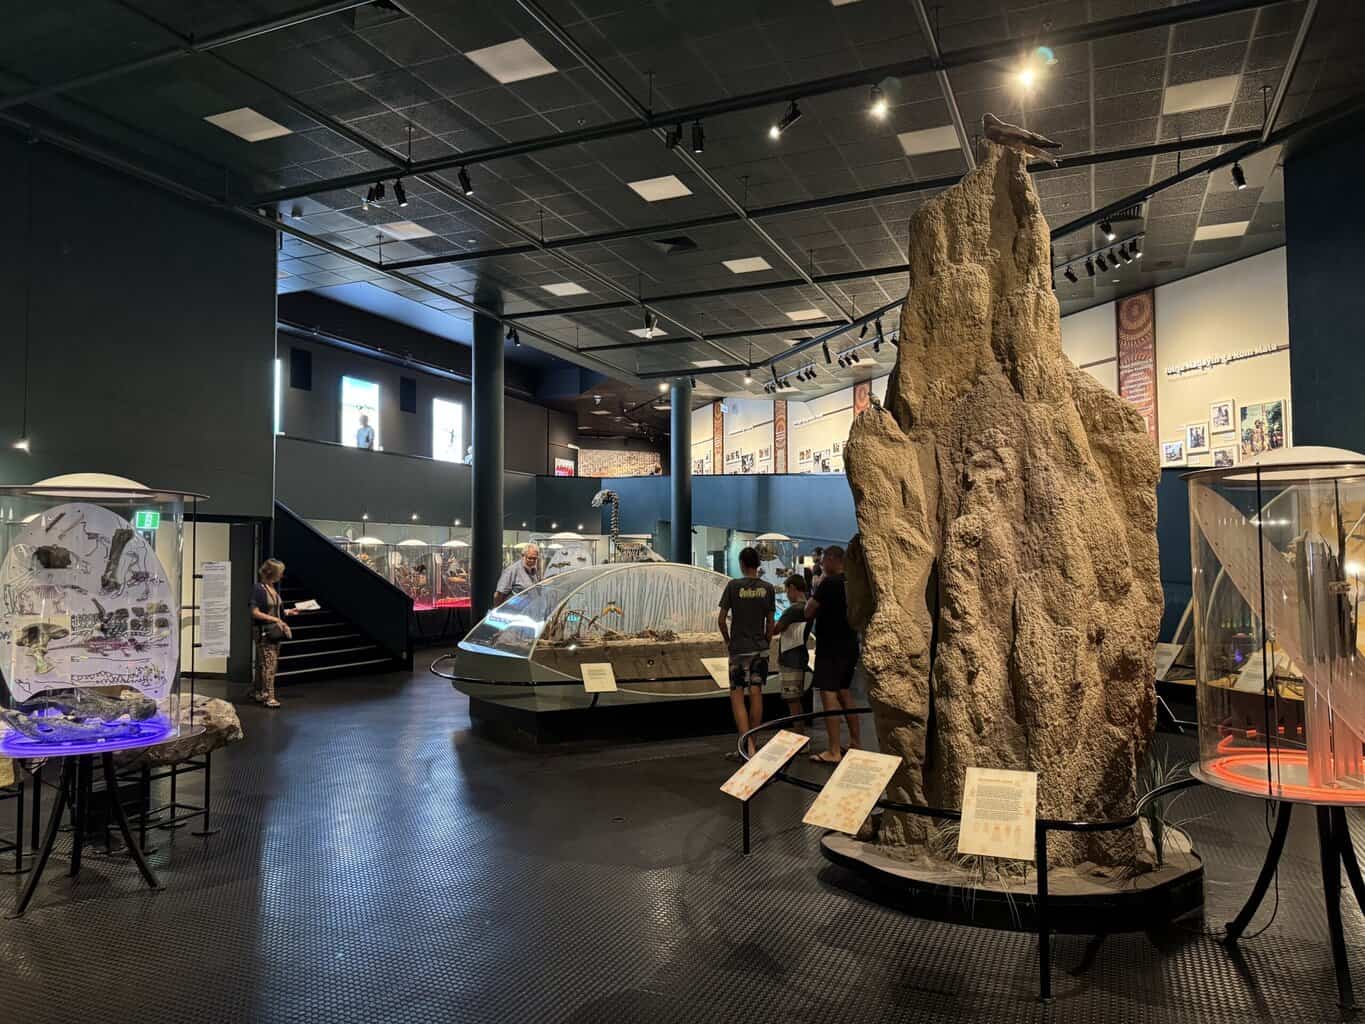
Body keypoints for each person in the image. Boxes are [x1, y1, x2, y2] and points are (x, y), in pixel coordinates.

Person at [719, 546, 775, 758]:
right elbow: (770, 622)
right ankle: (753, 743)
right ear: (758, 564)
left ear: (742, 563)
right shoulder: (768, 588)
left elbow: (721, 620)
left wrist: (729, 641)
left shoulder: (733, 586)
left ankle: (745, 747)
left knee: (737, 696)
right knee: (756, 692)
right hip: (759, 649)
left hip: (738, 649)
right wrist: (766, 641)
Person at [805, 545, 860, 763]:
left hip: (830, 646)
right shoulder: (852, 582)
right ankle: (855, 742)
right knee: (844, 693)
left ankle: (834, 750)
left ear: (831, 559)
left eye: (823, 560)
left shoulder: (829, 583)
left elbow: (808, 610)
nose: (821, 564)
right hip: (850, 644)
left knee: (828, 694)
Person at [250, 558, 296, 708]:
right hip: (265, 632)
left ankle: (258, 692)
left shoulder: (272, 589)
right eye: (280, 573)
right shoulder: (258, 589)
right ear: (272, 573)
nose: (281, 575)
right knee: (270, 664)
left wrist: (288, 612)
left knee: (266, 664)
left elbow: (275, 610)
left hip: (275, 631)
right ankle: (268, 696)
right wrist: (276, 619)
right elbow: (255, 612)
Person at [770, 574, 811, 728]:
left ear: (793, 588)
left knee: (792, 700)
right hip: (799, 658)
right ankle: (800, 733)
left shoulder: (793, 610)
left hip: (790, 660)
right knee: (796, 699)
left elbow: (776, 629)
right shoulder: (807, 607)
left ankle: (799, 734)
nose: (787, 595)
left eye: (787, 591)